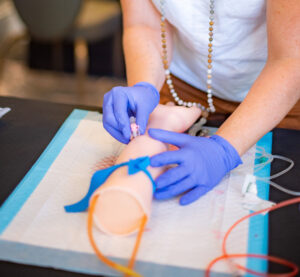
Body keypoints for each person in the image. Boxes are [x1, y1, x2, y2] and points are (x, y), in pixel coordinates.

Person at [102, 0, 300, 205]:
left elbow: (291, 59)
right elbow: (143, 24)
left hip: (277, 97)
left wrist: (222, 151)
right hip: (180, 86)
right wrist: (145, 86)